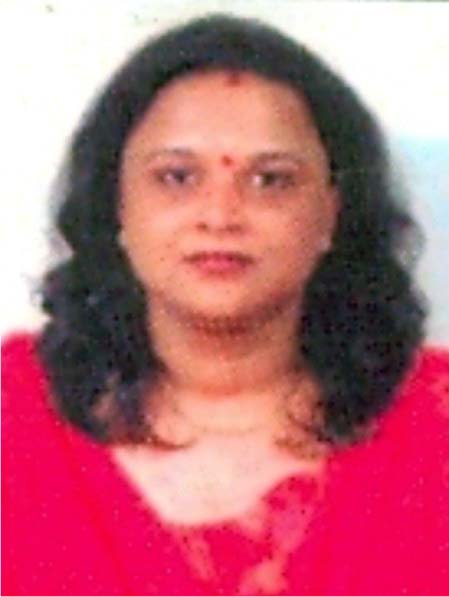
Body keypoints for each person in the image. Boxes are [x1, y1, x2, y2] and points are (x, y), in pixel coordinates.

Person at [2, 13, 448, 597]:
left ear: (332, 212)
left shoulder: (434, 426)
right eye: (177, 177)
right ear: (116, 205)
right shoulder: (15, 418)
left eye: (270, 180)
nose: (220, 215)